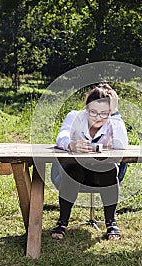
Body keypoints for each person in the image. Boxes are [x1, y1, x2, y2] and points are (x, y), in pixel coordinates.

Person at [51, 82, 128, 240]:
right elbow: (62, 136)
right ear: (86, 109)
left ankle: (111, 222)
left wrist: (115, 113)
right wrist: (71, 145)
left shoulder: (112, 121)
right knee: (73, 168)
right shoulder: (74, 116)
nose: (98, 117)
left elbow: (121, 144)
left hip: (103, 175)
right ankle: (62, 222)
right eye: (93, 112)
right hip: (74, 175)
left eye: (104, 113)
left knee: (108, 167)